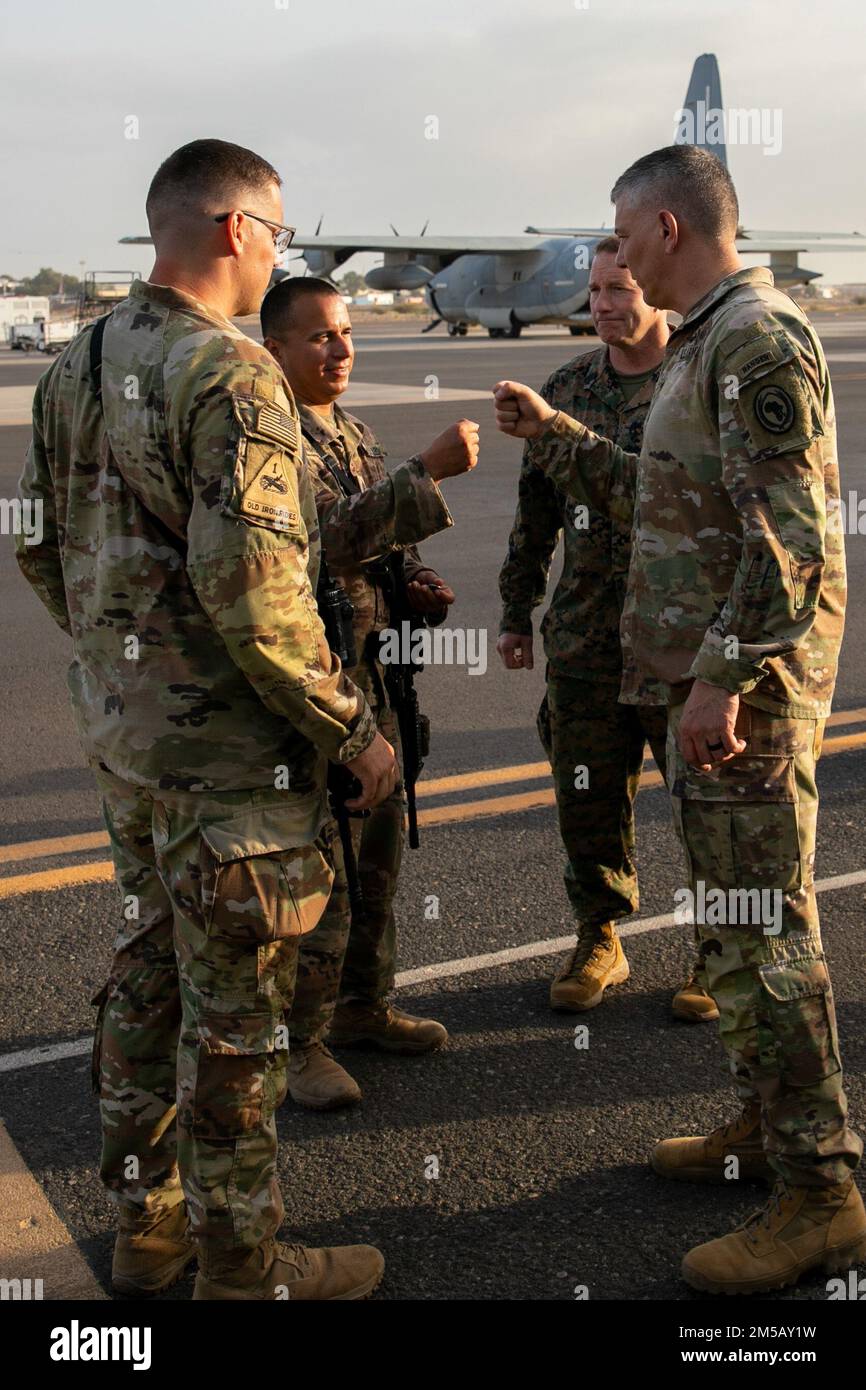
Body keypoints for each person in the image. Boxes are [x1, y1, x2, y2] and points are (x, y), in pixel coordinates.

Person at [16, 138, 398, 1301]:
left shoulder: (76, 363)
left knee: (145, 979)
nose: (280, 250)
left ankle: (149, 1228)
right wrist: (352, 730)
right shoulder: (230, 376)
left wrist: (124, 662)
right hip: (232, 766)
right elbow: (263, 602)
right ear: (235, 229)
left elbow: (41, 547)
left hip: (131, 750)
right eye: (278, 231)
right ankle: (243, 1267)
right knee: (237, 1022)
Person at [492, 144, 865, 1295]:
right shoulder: (704, 341)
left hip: (741, 703)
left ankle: (819, 1193)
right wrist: (557, 438)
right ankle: (764, 1126)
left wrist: (716, 676)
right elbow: (670, 501)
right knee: (740, 930)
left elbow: (790, 542)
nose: (610, 258)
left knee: (765, 937)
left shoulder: (751, 338)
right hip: (708, 690)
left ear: (661, 226)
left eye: (617, 230)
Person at [261, 276, 478, 1109]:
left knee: (379, 854)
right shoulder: (272, 441)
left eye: (346, 333)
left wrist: (416, 579)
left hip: (377, 677)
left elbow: (374, 545)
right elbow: (327, 539)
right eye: (318, 336)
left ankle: (361, 1006)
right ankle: (301, 1042)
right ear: (275, 349)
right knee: (331, 868)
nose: (340, 348)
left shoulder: (348, 430)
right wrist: (427, 473)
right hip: (318, 692)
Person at [497, 238, 714, 1021]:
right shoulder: (567, 387)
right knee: (585, 795)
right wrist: (516, 612)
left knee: (700, 800)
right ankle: (600, 935)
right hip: (587, 635)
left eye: (619, 289)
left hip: (676, 635)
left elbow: (676, 499)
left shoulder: (690, 383)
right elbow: (534, 516)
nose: (604, 306)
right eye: (594, 292)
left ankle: (716, 952)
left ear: (649, 290)